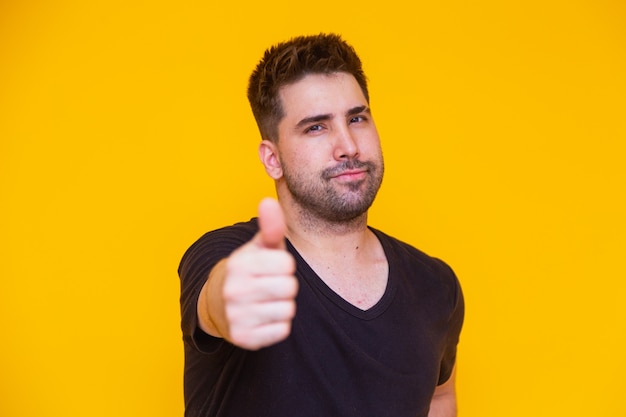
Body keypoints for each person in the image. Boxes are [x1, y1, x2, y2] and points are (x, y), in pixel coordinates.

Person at [178, 33, 464, 417]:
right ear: (272, 159)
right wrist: (229, 299)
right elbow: (215, 305)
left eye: (357, 118)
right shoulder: (226, 254)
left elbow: (439, 396)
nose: (348, 145)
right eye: (316, 127)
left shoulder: (434, 284)